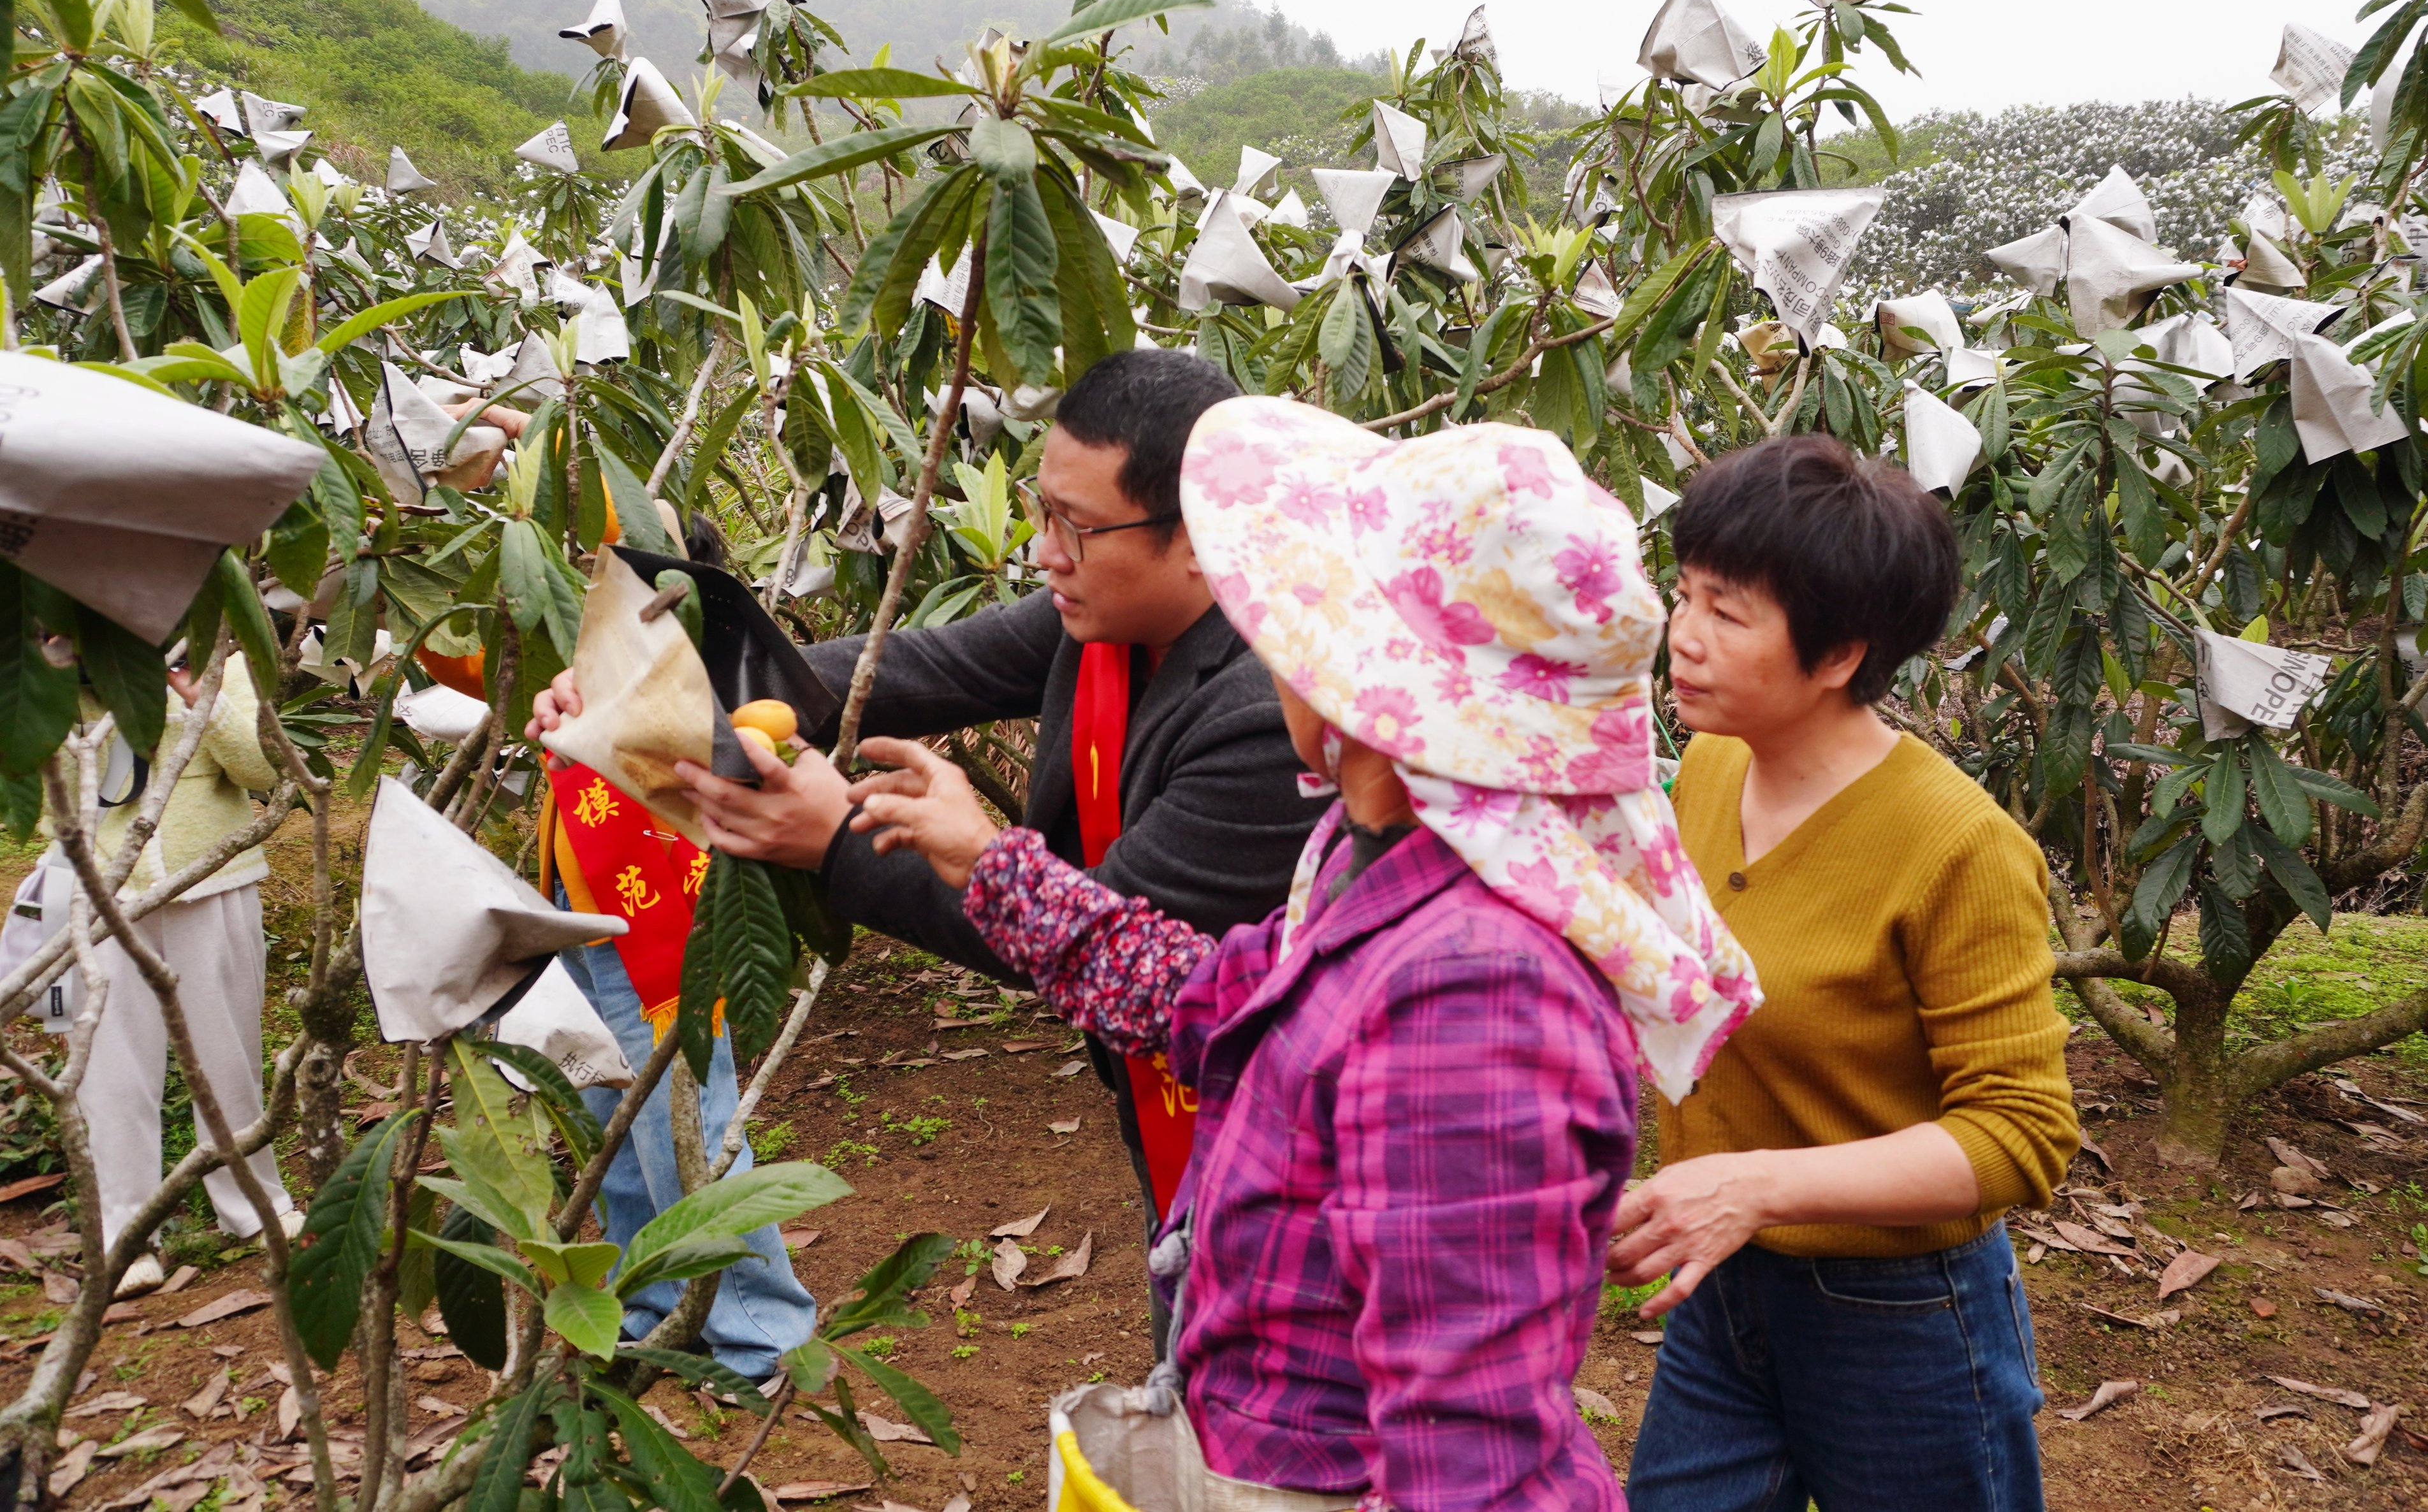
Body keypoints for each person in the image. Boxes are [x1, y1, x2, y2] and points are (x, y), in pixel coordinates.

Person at [845, 400, 1757, 1512]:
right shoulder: (1370, 858)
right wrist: (991, 864)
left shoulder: (1476, 992)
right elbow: (1217, 999)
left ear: (1370, 680)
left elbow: (1465, 1457)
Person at [660, 350, 1329, 1232]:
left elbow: (1090, 936)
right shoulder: (1108, 614)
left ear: (1202, 535)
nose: (1043, 553)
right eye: (1039, 511)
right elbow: (916, 666)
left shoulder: (1266, 712)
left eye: (1077, 527)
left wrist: (836, 839)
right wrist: (671, 695)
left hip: (1273, 1136)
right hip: (1159, 1095)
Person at [1606, 433, 2079, 1512]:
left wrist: (1757, 1184)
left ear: (1837, 656)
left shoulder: (1956, 846)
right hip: (1724, 1293)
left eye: (1728, 615)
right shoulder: (1714, 765)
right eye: (1684, 596)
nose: (1682, 637)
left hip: (1901, 1316)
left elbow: (2022, 1133)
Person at [527, 510, 817, 1382]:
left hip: (657, 922)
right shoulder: (603, 660)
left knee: (684, 1119)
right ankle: (656, 1306)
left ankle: (763, 1332)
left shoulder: (698, 674)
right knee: (609, 1121)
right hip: (579, 903)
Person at [47, 655, 300, 1295]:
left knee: (228, 1057)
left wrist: (192, 691)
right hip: (101, 891)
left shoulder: (223, 659)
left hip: (214, 881)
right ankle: (128, 1235)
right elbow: (44, 802)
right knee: (110, 1068)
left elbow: (263, 767)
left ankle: (254, 1204)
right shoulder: (49, 672)